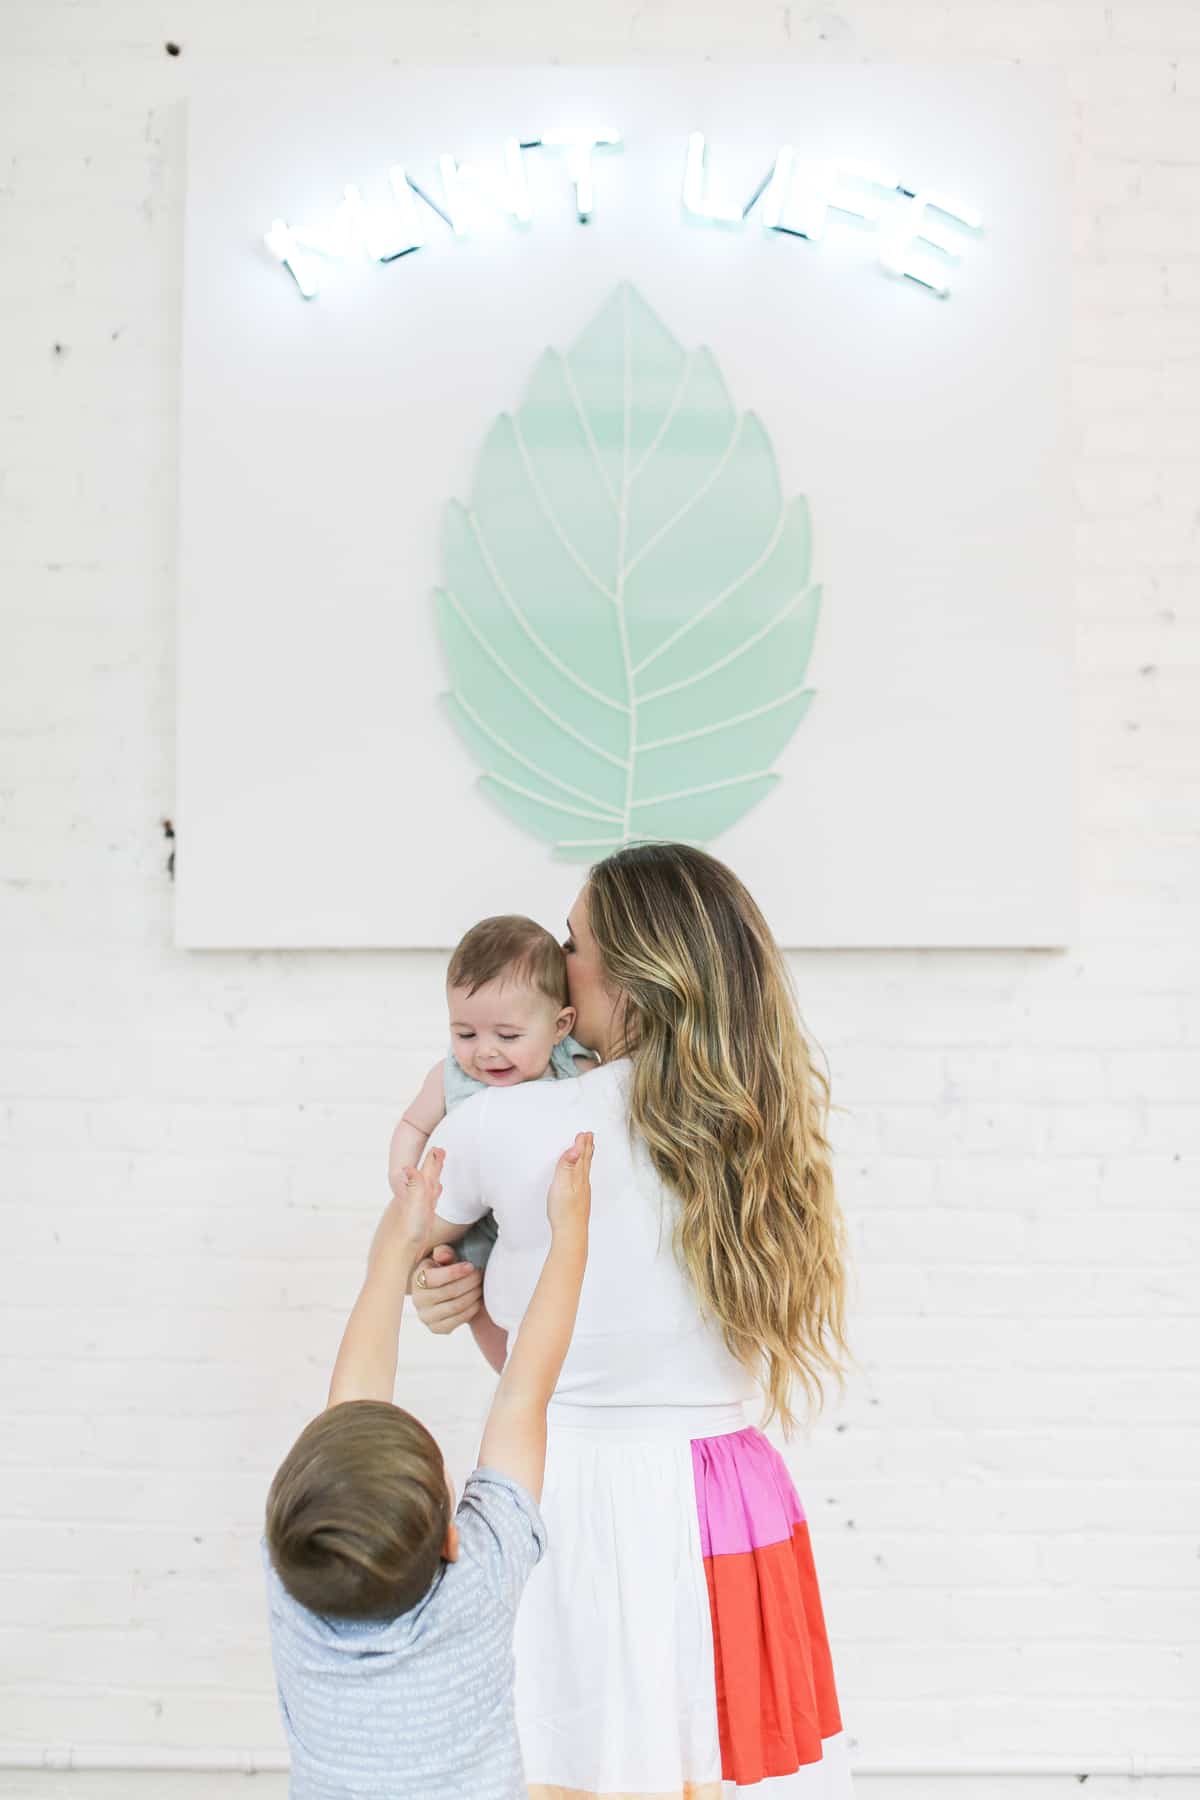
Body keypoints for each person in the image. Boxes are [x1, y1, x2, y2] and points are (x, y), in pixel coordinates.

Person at [412, 842, 856, 1799]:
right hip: (729, 1490)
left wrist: (444, 1285)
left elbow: (413, 1235)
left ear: (629, 976)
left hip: (557, 1486)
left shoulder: (507, 1126)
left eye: (572, 944)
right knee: (715, 1772)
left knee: (557, 1770)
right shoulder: (763, 1135)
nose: (553, 963)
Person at [263, 1131, 594, 1800]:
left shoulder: (298, 1574)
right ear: (451, 1540)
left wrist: (396, 1245)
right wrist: (570, 1232)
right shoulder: (477, 1585)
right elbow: (525, 1390)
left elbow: (352, 1420)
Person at [388, 914, 596, 1371]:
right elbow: (412, 1125)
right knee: (473, 1284)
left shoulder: (578, 1070)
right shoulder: (451, 1078)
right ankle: (510, 1376)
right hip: (472, 1220)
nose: (484, 1051)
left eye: (508, 1036)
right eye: (465, 1034)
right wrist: (404, 1178)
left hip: (545, 1217)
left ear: (560, 1026)